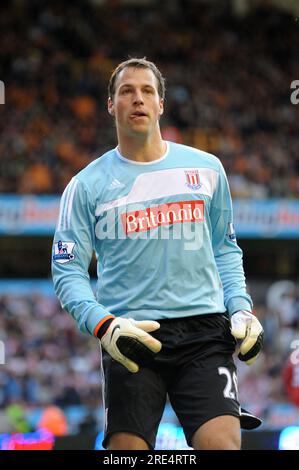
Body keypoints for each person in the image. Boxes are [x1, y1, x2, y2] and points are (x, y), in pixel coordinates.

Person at [52, 58, 264, 450]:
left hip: (204, 332)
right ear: (111, 105)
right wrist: (103, 325)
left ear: (161, 104)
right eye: (126, 91)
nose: (138, 99)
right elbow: (67, 271)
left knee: (222, 445)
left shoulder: (207, 170)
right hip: (132, 335)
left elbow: (225, 249)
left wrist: (240, 308)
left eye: (147, 91)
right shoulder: (85, 186)